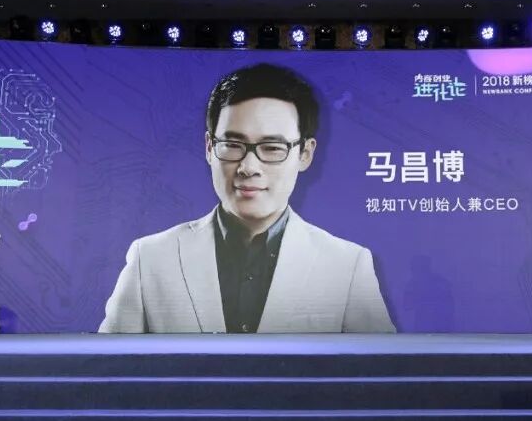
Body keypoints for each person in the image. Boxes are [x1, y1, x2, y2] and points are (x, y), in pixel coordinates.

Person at [99, 63, 396, 334]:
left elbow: (382, 371)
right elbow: (109, 368)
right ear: (208, 147)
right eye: (232, 144)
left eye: (272, 148)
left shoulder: (346, 265)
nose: (248, 167)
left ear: (305, 154)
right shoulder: (150, 258)